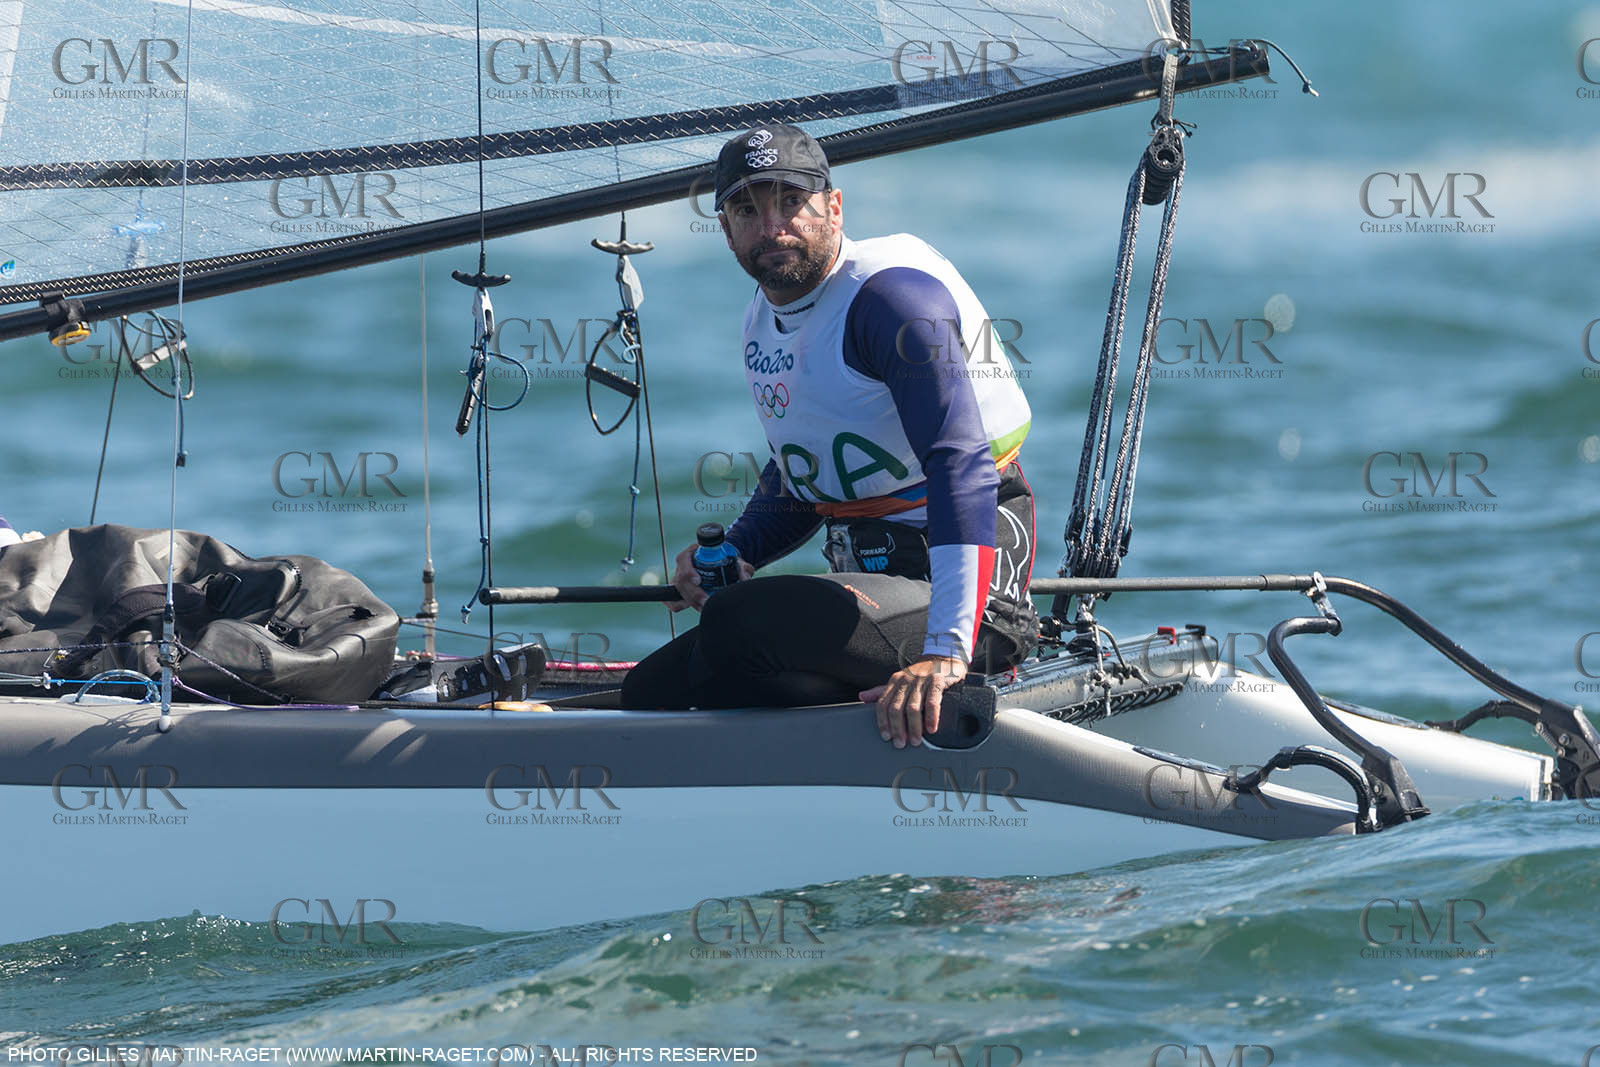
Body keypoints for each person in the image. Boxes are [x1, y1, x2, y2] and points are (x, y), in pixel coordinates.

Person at [620, 123, 1037, 747]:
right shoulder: (764, 318)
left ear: (834, 206)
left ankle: (914, 686)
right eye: (746, 209)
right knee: (650, 692)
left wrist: (946, 652)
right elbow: (806, 475)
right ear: (726, 228)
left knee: (743, 624)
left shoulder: (892, 301)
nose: (771, 225)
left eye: (791, 201)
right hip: (872, 596)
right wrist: (736, 553)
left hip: (972, 608)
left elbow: (962, 467)